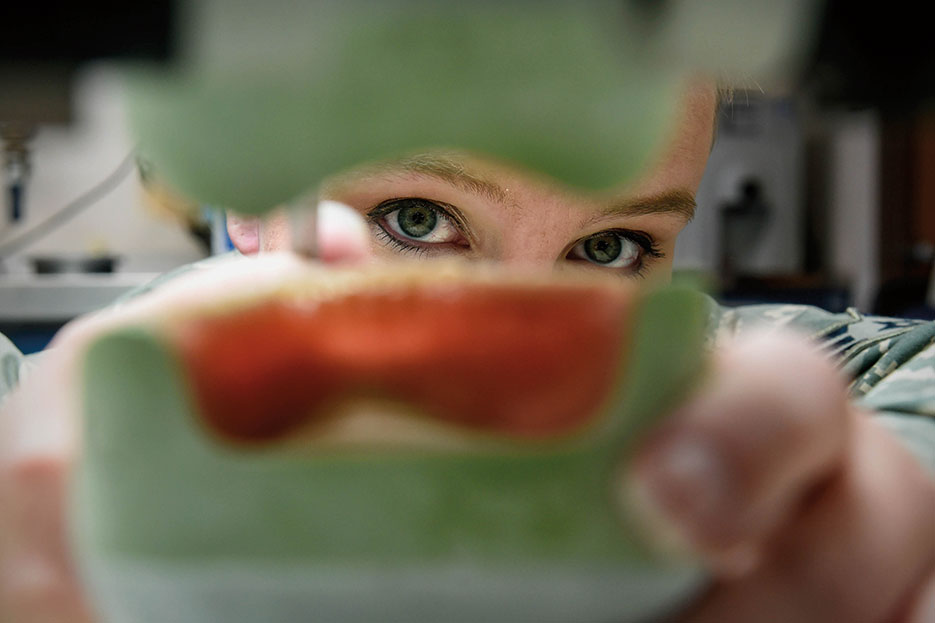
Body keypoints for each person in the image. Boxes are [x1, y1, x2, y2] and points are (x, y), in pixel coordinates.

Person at [1, 82, 933, 622]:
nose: (521, 360)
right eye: (418, 222)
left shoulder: (708, 384)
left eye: (608, 251)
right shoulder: (32, 419)